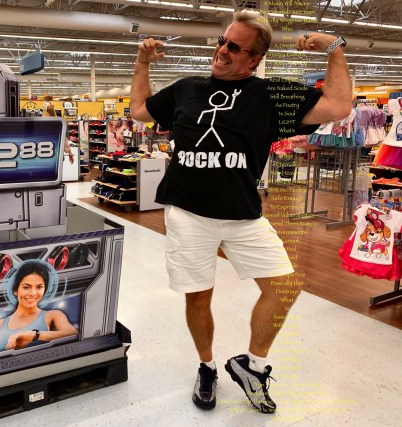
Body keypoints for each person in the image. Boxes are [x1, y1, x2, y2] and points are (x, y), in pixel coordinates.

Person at [130, 10, 352, 413]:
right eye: (222, 41)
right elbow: (140, 110)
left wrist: (334, 48)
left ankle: (253, 365)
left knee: (284, 287)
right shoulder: (187, 88)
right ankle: (207, 367)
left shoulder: (269, 96)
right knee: (199, 296)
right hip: (188, 213)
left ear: (254, 59)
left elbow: (337, 106)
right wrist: (142, 63)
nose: (222, 50)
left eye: (234, 47)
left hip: (243, 214)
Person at [0, 261, 78, 354]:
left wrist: (34, 335)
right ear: (15, 290)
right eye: (26, 287)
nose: (33, 293)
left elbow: (73, 334)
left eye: (39, 287)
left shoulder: (54, 315)